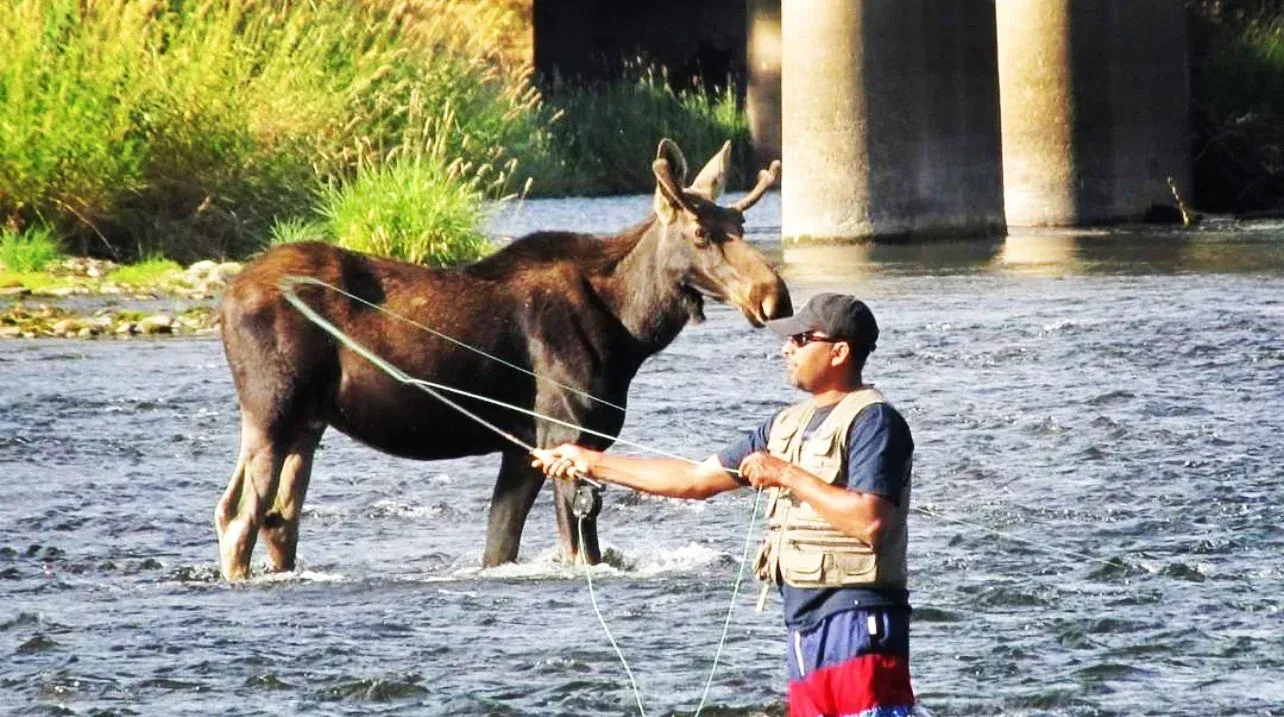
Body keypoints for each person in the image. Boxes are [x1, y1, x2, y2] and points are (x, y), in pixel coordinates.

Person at [533, 293, 917, 717]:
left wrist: (785, 474)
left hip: (858, 620)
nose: (786, 347)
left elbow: (870, 521)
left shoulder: (875, 422)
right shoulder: (785, 424)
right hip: (803, 622)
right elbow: (696, 479)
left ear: (840, 351)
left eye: (802, 338)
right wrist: (592, 460)